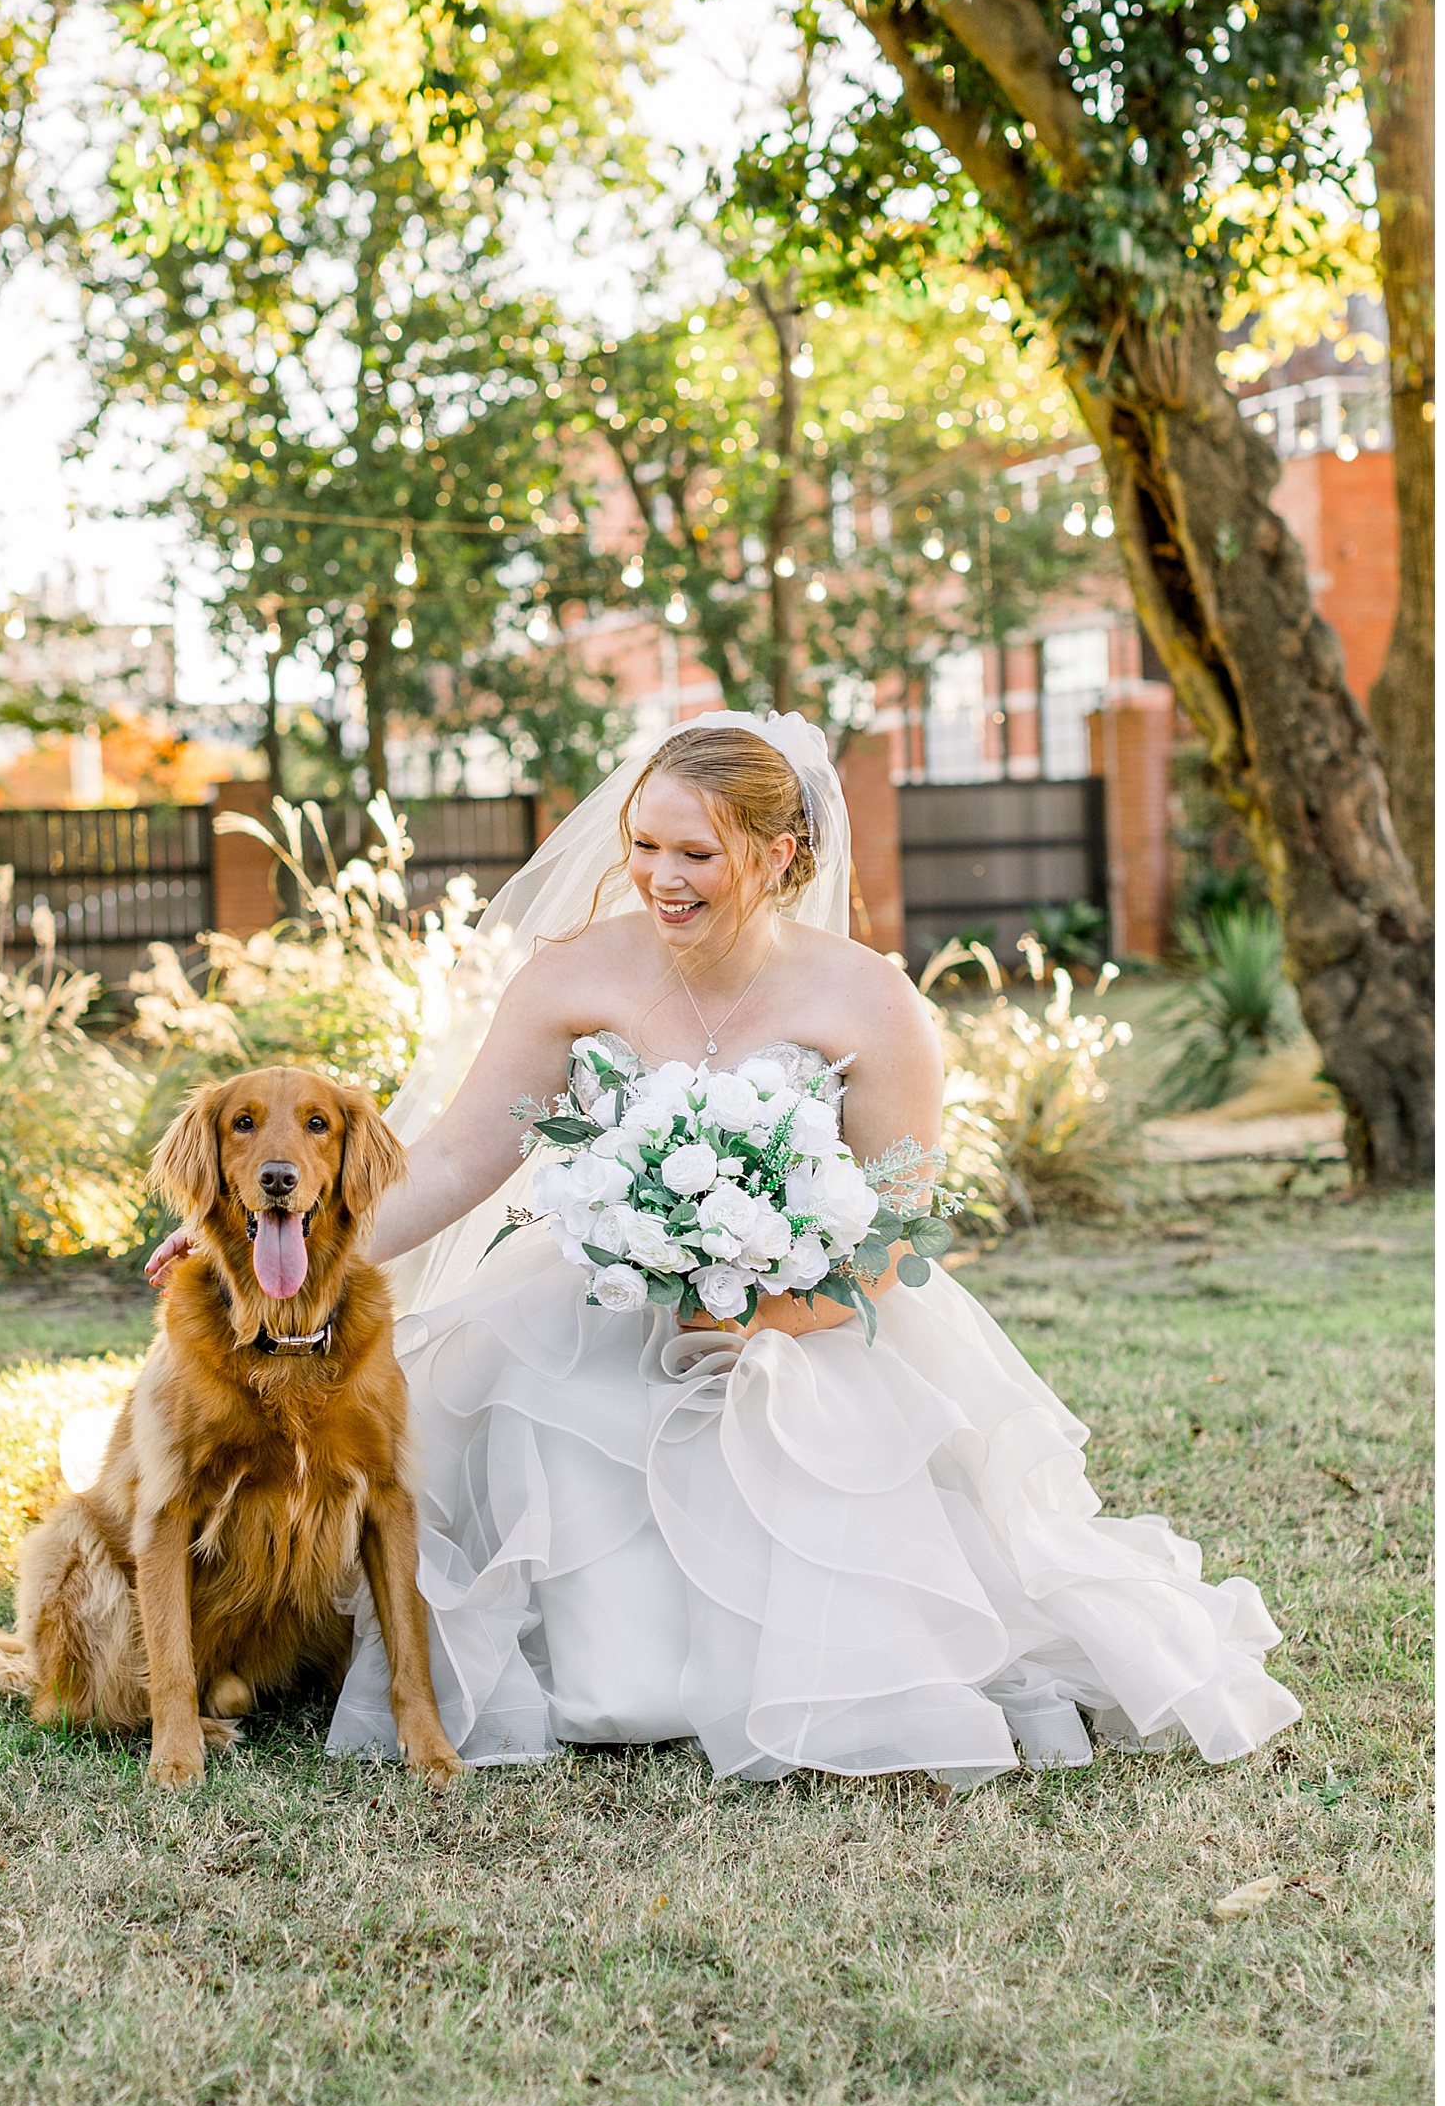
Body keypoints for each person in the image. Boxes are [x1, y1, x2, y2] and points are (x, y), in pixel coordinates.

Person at [140, 709, 1300, 1785]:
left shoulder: (871, 1000)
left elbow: (898, 1226)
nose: (659, 877)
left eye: (696, 852)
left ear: (784, 851)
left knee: (824, 1460)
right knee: (496, 1437)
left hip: (817, 1320)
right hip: (591, 1306)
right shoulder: (574, 974)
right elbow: (448, 1165)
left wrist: (764, 1318)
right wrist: (241, 1239)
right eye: (645, 844)